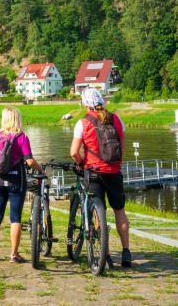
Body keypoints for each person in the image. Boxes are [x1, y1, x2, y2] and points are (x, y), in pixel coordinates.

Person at [70, 88, 132, 268]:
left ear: (85, 104)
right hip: (114, 172)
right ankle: (126, 252)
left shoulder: (83, 122)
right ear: (102, 102)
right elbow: (122, 148)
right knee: (119, 211)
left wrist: (81, 163)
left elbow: (74, 152)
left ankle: (106, 256)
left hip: (94, 172)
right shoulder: (117, 120)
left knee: (98, 212)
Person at [0, 107, 45, 262]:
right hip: (16, 181)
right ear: (18, 119)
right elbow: (29, 161)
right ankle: (14, 254)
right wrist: (41, 169)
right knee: (15, 218)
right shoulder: (22, 137)